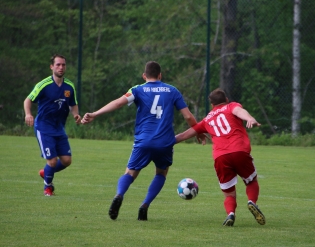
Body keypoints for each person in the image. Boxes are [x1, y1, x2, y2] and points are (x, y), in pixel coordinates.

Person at [81, 61, 205, 221]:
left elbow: (118, 103)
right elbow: (188, 116)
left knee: (130, 173)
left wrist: (95, 114)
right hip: (165, 142)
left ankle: (119, 195)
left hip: (143, 141)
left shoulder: (138, 89)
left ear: (144, 76)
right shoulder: (172, 90)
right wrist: (197, 130)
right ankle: (145, 205)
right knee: (161, 173)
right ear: (160, 75)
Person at [175, 88, 265, 227]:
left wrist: (165, 142)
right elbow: (239, 111)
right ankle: (251, 201)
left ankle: (230, 214)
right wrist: (250, 118)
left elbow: (185, 134)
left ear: (211, 105)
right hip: (239, 151)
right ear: (227, 100)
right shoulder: (231, 106)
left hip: (220, 157)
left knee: (229, 193)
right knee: (251, 181)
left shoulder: (207, 119)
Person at [24, 54, 81, 196]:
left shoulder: (69, 86)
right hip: (44, 127)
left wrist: (76, 115)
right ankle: (47, 188)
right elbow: (28, 100)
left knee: (67, 161)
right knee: (53, 161)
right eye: (58, 65)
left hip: (59, 128)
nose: (61, 67)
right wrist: (28, 114)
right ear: (52, 67)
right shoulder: (43, 85)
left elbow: (73, 104)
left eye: (63, 65)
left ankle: (46, 172)